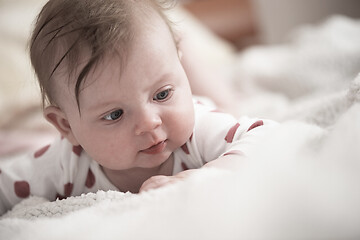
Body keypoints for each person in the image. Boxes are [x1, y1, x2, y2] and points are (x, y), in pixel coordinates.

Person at [0, 0, 276, 215]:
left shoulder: (197, 131)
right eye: (114, 114)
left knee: (226, 105)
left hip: (207, 105)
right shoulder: (65, 162)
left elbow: (268, 136)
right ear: (66, 126)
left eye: (162, 94)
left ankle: (186, 56)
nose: (149, 123)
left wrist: (213, 173)